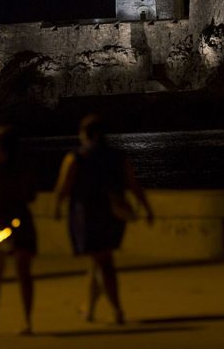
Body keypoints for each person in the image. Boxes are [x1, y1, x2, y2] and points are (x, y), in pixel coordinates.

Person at [53, 114, 154, 325]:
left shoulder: (77, 157)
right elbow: (133, 184)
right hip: (113, 214)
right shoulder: (117, 156)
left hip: (87, 215)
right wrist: (146, 207)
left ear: (84, 134)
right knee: (98, 260)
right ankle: (89, 309)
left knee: (103, 262)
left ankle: (117, 310)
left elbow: (63, 186)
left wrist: (57, 207)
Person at [0, 124, 37, 336]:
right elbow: (31, 196)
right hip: (21, 222)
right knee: (24, 275)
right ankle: (27, 322)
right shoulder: (24, 166)